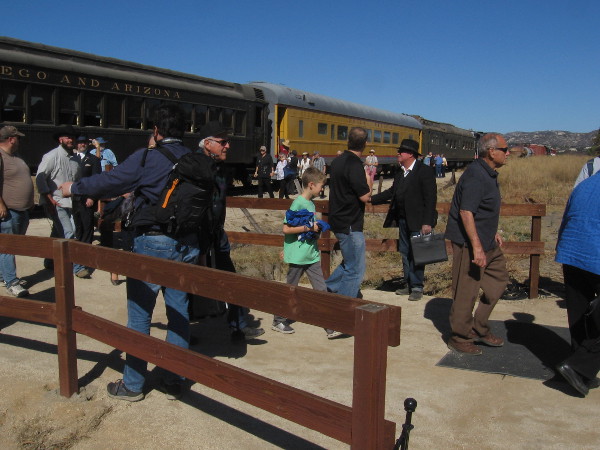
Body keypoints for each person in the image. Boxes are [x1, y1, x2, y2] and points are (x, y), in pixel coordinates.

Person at [60, 105, 206, 402]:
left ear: (156, 131)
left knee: (140, 313)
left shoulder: (146, 157)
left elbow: (111, 182)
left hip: (153, 241)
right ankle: (174, 379)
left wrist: (74, 187)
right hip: (188, 242)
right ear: (183, 132)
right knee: (179, 313)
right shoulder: (196, 160)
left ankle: (133, 384)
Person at [444, 133, 510, 355]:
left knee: (498, 282)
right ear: (491, 151)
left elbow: (484, 211)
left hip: (488, 242)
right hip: (470, 245)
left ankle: (478, 326)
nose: (508, 153)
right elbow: (466, 212)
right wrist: (477, 247)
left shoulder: (488, 174)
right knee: (467, 291)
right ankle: (460, 336)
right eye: (505, 149)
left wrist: (493, 233)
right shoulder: (475, 175)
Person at [197, 132, 265, 340]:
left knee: (230, 279)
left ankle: (238, 324)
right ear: (208, 144)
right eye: (223, 142)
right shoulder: (196, 168)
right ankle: (181, 331)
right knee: (185, 284)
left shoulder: (217, 169)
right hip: (198, 238)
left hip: (216, 235)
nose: (228, 146)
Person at [273, 167, 341, 339]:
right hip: (298, 255)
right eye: (321, 186)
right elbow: (286, 229)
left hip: (311, 254)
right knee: (291, 288)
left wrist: (315, 229)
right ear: (311, 185)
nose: (322, 189)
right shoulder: (298, 204)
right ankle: (278, 319)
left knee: (321, 289)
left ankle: (329, 324)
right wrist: (309, 227)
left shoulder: (310, 204)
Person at [370, 139, 437, 301]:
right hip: (403, 220)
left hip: (419, 221)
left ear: (411, 154)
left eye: (401, 151)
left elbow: (430, 199)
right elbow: (391, 192)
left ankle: (417, 287)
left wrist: (427, 222)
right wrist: (371, 199)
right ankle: (408, 283)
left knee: (418, 254)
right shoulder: (401, 173)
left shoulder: (424, 171)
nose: (398, 153)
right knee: (405, 253)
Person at [554, 174, 600, 396]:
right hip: (596, 256)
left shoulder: (584, 185)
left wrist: (561, 248)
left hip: (571, 253)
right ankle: (579, 365)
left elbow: (565, 219)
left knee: (579, 315)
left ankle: (580, 373)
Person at [36, 125, 90, 278]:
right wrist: (49, 199)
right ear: (60, 139)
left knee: (57, 233)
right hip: (57, 202)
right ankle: (77, 268)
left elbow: (77, 181)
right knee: (70, 232)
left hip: (71, 203)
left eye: (72, 137)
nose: (70, 140)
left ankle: (49, 260)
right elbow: (41, 178)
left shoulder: (75, 159)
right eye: (67, 137)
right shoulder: (51, 156)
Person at [325, 127, 372, 298]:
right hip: (350, 223)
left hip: (337, 219)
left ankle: (325, 291)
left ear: (348, 141)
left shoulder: (337, 161)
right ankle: (342, 311)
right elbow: (365, 196)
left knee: (349, 263)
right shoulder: (355, 164)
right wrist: (369, 179)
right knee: (355, 270)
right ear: (365, 144)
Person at [0, 126, 34, 297]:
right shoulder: (0, 156)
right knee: (9, 246)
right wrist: (1, 205)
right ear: (11, 139)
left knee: (13, 245)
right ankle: (11, 281)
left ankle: (2, 274)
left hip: (22, 209)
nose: (20, 141)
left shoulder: (16, 156)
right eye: (18, 138)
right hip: (8, 211)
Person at [71, 136, 101, 250]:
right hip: (74, 197)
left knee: (87, 226)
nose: (82, 145)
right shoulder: (72, 158)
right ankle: (78, 250)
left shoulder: (93, 159)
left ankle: (86, 253)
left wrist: (92, 197)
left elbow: (96, 180)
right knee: (77, 226)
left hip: (87, 198)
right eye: (80, 143)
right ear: (76, 144)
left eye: (84, 143)